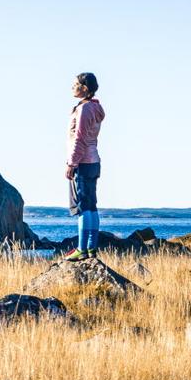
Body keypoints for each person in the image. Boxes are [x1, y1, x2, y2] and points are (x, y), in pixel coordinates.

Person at [66, 72, 105, 258]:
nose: (72, 87)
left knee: (83, 206)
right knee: (91, 205)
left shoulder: (85, 109)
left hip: (82, 162)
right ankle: (91, 247)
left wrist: (71, 163)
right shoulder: (95, 108)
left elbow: (79, 139)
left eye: (75, 84)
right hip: (94, 160)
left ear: (85, 88)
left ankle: (82, 248)